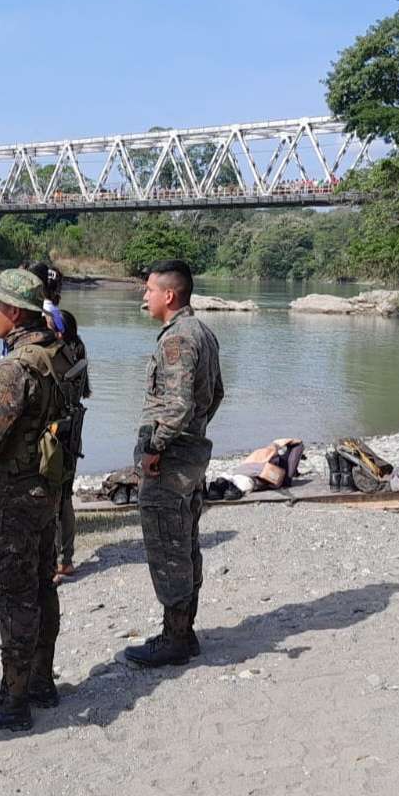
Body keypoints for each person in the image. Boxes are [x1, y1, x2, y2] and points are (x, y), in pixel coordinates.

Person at [0, 270, 69, 732]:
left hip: (16, 493)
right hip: (47, 487)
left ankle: (13, 700)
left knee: (10, 593)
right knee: (42, 585)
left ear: (16, 312)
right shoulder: (58, 354)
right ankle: (40, 682)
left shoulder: (13, 369)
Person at [123, 260, 224, 668]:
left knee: (168, 546)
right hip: (191, 454)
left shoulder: (177, 339)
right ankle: (183, 633)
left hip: (172, 461)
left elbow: (179, 403)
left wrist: (156, 448)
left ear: (169, 295)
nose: (143, 296)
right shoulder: (202, 332)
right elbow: (216, 394)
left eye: (148, 289)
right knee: (185, 542)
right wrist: (195, 431)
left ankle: (175, 639)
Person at [25, 263, 90, 582]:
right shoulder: (73, 336)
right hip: (71, 425)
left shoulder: (44, 334)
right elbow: (85, 388)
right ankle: (65, 559)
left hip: (50, 429)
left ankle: (51, 563)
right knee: (63, 494)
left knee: (47, 494)